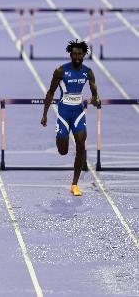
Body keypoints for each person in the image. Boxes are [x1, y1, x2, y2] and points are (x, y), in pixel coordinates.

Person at [41, 39, 100, 196]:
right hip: (64, 113)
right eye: (74, 53)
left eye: (79, 54)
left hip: (78, 113)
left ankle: (74, 184)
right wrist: (45, 114)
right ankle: (61, 135)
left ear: (84, 54)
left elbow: (94, 90)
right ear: (70, 54)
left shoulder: (88, 72)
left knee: (81, 144)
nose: (77, 56)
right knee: (62, 151)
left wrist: (95, 98)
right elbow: (50, 92)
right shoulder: (61, 71)